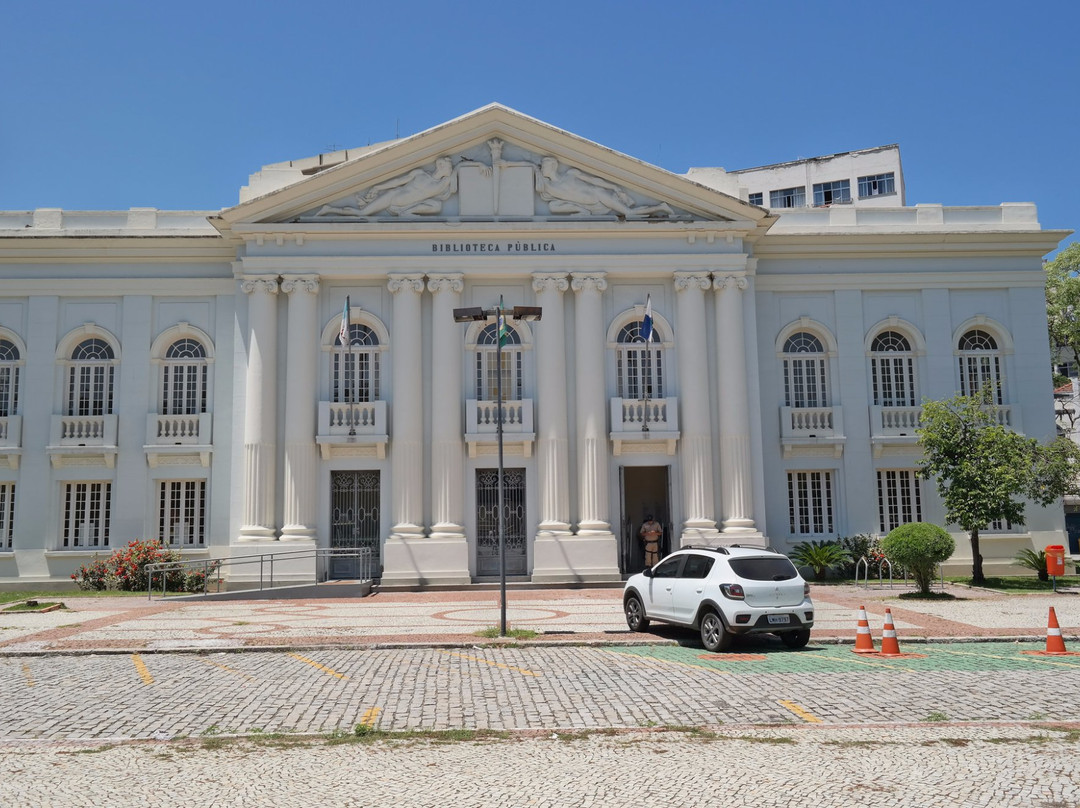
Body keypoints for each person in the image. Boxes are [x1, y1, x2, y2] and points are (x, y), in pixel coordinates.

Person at [316, 156, 490, 218]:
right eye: (448, 166)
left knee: (437, 205)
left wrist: (481, 164)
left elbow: (460, 166)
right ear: (440, 165)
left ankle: (407, 213)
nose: (450, 168)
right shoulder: (420, 174)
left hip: (405, 206)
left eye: (451, 167)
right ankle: (329, 208)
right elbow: (397, 182)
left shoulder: (442, 184)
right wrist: (377, 187)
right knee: (362, 213)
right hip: (393, 197)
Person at [535, 156, 673, 218]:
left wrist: (613, 187)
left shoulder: (571, 173)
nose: (542, 168)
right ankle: (582, 211)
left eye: (544, 165)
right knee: (553, 206)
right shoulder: (550, 187)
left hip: (599, 195)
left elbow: (595, 180)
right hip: (588, 206)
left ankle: (661, 207)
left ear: (553, 166)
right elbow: (528, 165)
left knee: (629, 213)